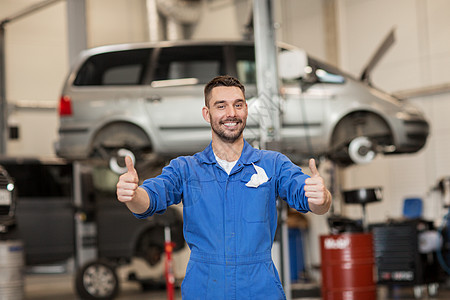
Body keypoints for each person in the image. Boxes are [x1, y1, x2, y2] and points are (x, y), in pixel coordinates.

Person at [117, 75, 332, 299]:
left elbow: (314, 201)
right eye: (221, 106)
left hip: (259, 287)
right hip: (204, 288)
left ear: (246, 110)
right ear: (206, 114)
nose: (231, 113)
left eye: (238, 105)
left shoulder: (273, 164)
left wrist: (321, 197)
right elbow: (150, 199)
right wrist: (133, 194)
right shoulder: (186, 169)